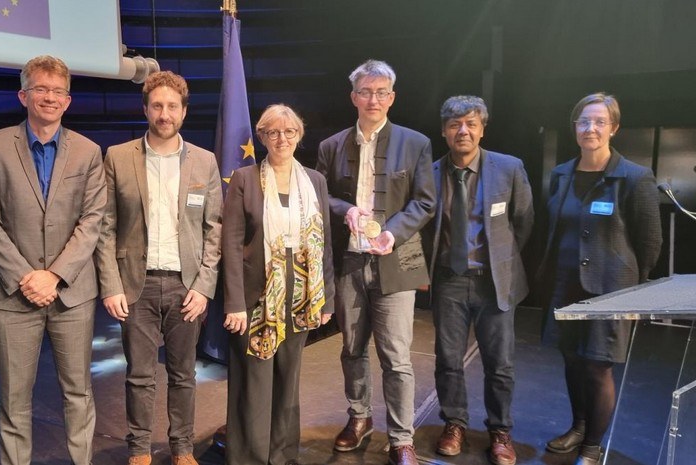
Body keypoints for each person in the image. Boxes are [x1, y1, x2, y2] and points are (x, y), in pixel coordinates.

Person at [0, 55, 106, 465]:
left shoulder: (88, 151)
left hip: (71, 295)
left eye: (58, 91)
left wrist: (55, 276)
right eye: (41, 89)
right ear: (23, 95)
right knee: (14, 400)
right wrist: (26, 276)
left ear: (68, 100)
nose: (49, 97)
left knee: (79, 393)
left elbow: (92, 220)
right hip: (11, 295)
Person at [95, 71, 222, 465]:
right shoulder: (118, 156)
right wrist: (111, 285)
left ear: (183, 111)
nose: (164, 114)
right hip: (137, 286)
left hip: (187, 288)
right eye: (157, 106)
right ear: (145, 109)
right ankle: (138, 450)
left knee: (184, 375)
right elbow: (105, 226)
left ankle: (182, 448)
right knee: (139, 376)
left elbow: (214, 230)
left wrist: (203, 287)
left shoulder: (205, 160)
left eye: (172, 106)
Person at [315, 59, 435, 465]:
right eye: (366, 91)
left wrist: (392, 233)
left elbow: (425, 202)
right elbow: (321, 197)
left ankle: (402, 438)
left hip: (395, 262)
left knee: (396, 357)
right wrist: (345, 209)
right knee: (352, 349)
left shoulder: (415, 143)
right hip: (349, 262)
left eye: (381, 92)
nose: (373, 99)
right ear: (354, 97)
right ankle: (359, 416)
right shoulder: (331, 146)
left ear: (392, 97)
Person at [538, 93, 662, 465]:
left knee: (597, 366)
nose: (590, 128)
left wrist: (632, 292)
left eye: (599, 122)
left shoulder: (634, 177)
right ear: (574, 127)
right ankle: (578, 427)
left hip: (610, 291)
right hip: (565, 285)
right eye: (583, 121)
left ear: (614, 128)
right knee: (571, 361)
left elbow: (649, 242)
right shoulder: (561, 174)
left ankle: (592, 445)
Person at [222, 104, 335, 465]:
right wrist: (234, 302)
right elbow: (231, 244)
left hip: (301, 295)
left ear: (299, 136)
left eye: (288, 132)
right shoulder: (244, 179)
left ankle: (282, 454)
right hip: (256, 296)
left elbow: (324, 243)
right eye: (273, 132)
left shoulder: (315, 181)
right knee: (254, 380)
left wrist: (327, 299)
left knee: (288, 378)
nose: (281, 139)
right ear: (262, 137)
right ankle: (250, 457)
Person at [424, 96, 534, 465]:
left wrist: (501, 260)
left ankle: (500, 431)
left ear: (482, 129)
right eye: (454, 124)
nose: (463, 131)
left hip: (494, 282)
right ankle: (454, 424)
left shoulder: (509, 168)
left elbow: (523, 222)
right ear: (444, 131)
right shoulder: (430, 172)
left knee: (500, 364)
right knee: (448, 360)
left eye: (471, 123)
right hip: (449, 281)